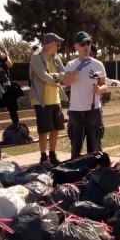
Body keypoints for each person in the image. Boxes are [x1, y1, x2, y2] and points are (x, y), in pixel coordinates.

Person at [64, 31, 107, 159]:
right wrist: (80, 67)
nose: (86, 46)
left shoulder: (98, 64)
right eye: (83, 43)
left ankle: (95, 176)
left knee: (95, 150)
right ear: (76, 46)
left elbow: (105, 86)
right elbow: (66, 82)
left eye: (88, 43)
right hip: (76, 112)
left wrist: (100, 89)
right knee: (75, 149)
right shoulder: (71, 65)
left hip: (94, 111)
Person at [29, 33, 68, 167]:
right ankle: (43, 157)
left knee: (56, 129)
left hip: (56, 99)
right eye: (57, 43)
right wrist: (56, 78)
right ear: (48, 44)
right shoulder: (35, 57)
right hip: (42, 101)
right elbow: (42, 76)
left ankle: (52, 155)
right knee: (44, 130)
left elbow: (65, 74)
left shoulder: (56, 58)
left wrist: (55, 77)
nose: (59, 46)